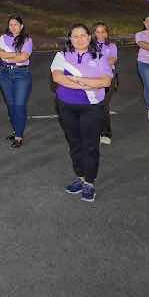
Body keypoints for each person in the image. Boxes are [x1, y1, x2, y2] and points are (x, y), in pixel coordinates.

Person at [50, 23, 113, 203]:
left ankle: (90, 182)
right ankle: (80, 177)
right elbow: (57, 78)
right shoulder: (61, 56)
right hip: (66, 106)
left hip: (92, 107)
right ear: (70, 39)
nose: (79, 39)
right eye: (75, 36)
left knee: (90, 145)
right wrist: (88, 83)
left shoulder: (100, 57)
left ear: (89, 37)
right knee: (74, 143)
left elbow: (106, 82)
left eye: (83, 35)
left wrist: (76, 79)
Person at [0, 15, 33, 148]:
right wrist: (15, 54)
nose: (13, 27)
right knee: (11, 105)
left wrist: (7, 56)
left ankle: (19, 136)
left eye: (16, 24)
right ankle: (16, 129)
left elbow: (23, 57)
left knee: (19, 105)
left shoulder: (27, 40)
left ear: (21, 26)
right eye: (10, 24)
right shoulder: (3, 38)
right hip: (5, 74)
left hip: (21, 74)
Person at [93, 23, 119, 145]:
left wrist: (95, 63)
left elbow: (112, 60)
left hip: (108, 78)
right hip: (92, 79)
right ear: (94, 33)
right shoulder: (89, 45)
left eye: (103, 31)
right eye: (97, 32)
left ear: (107, 33)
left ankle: (106, 133)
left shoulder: (111, 46)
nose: (100, 34)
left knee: (103, 105)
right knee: (93, 105)